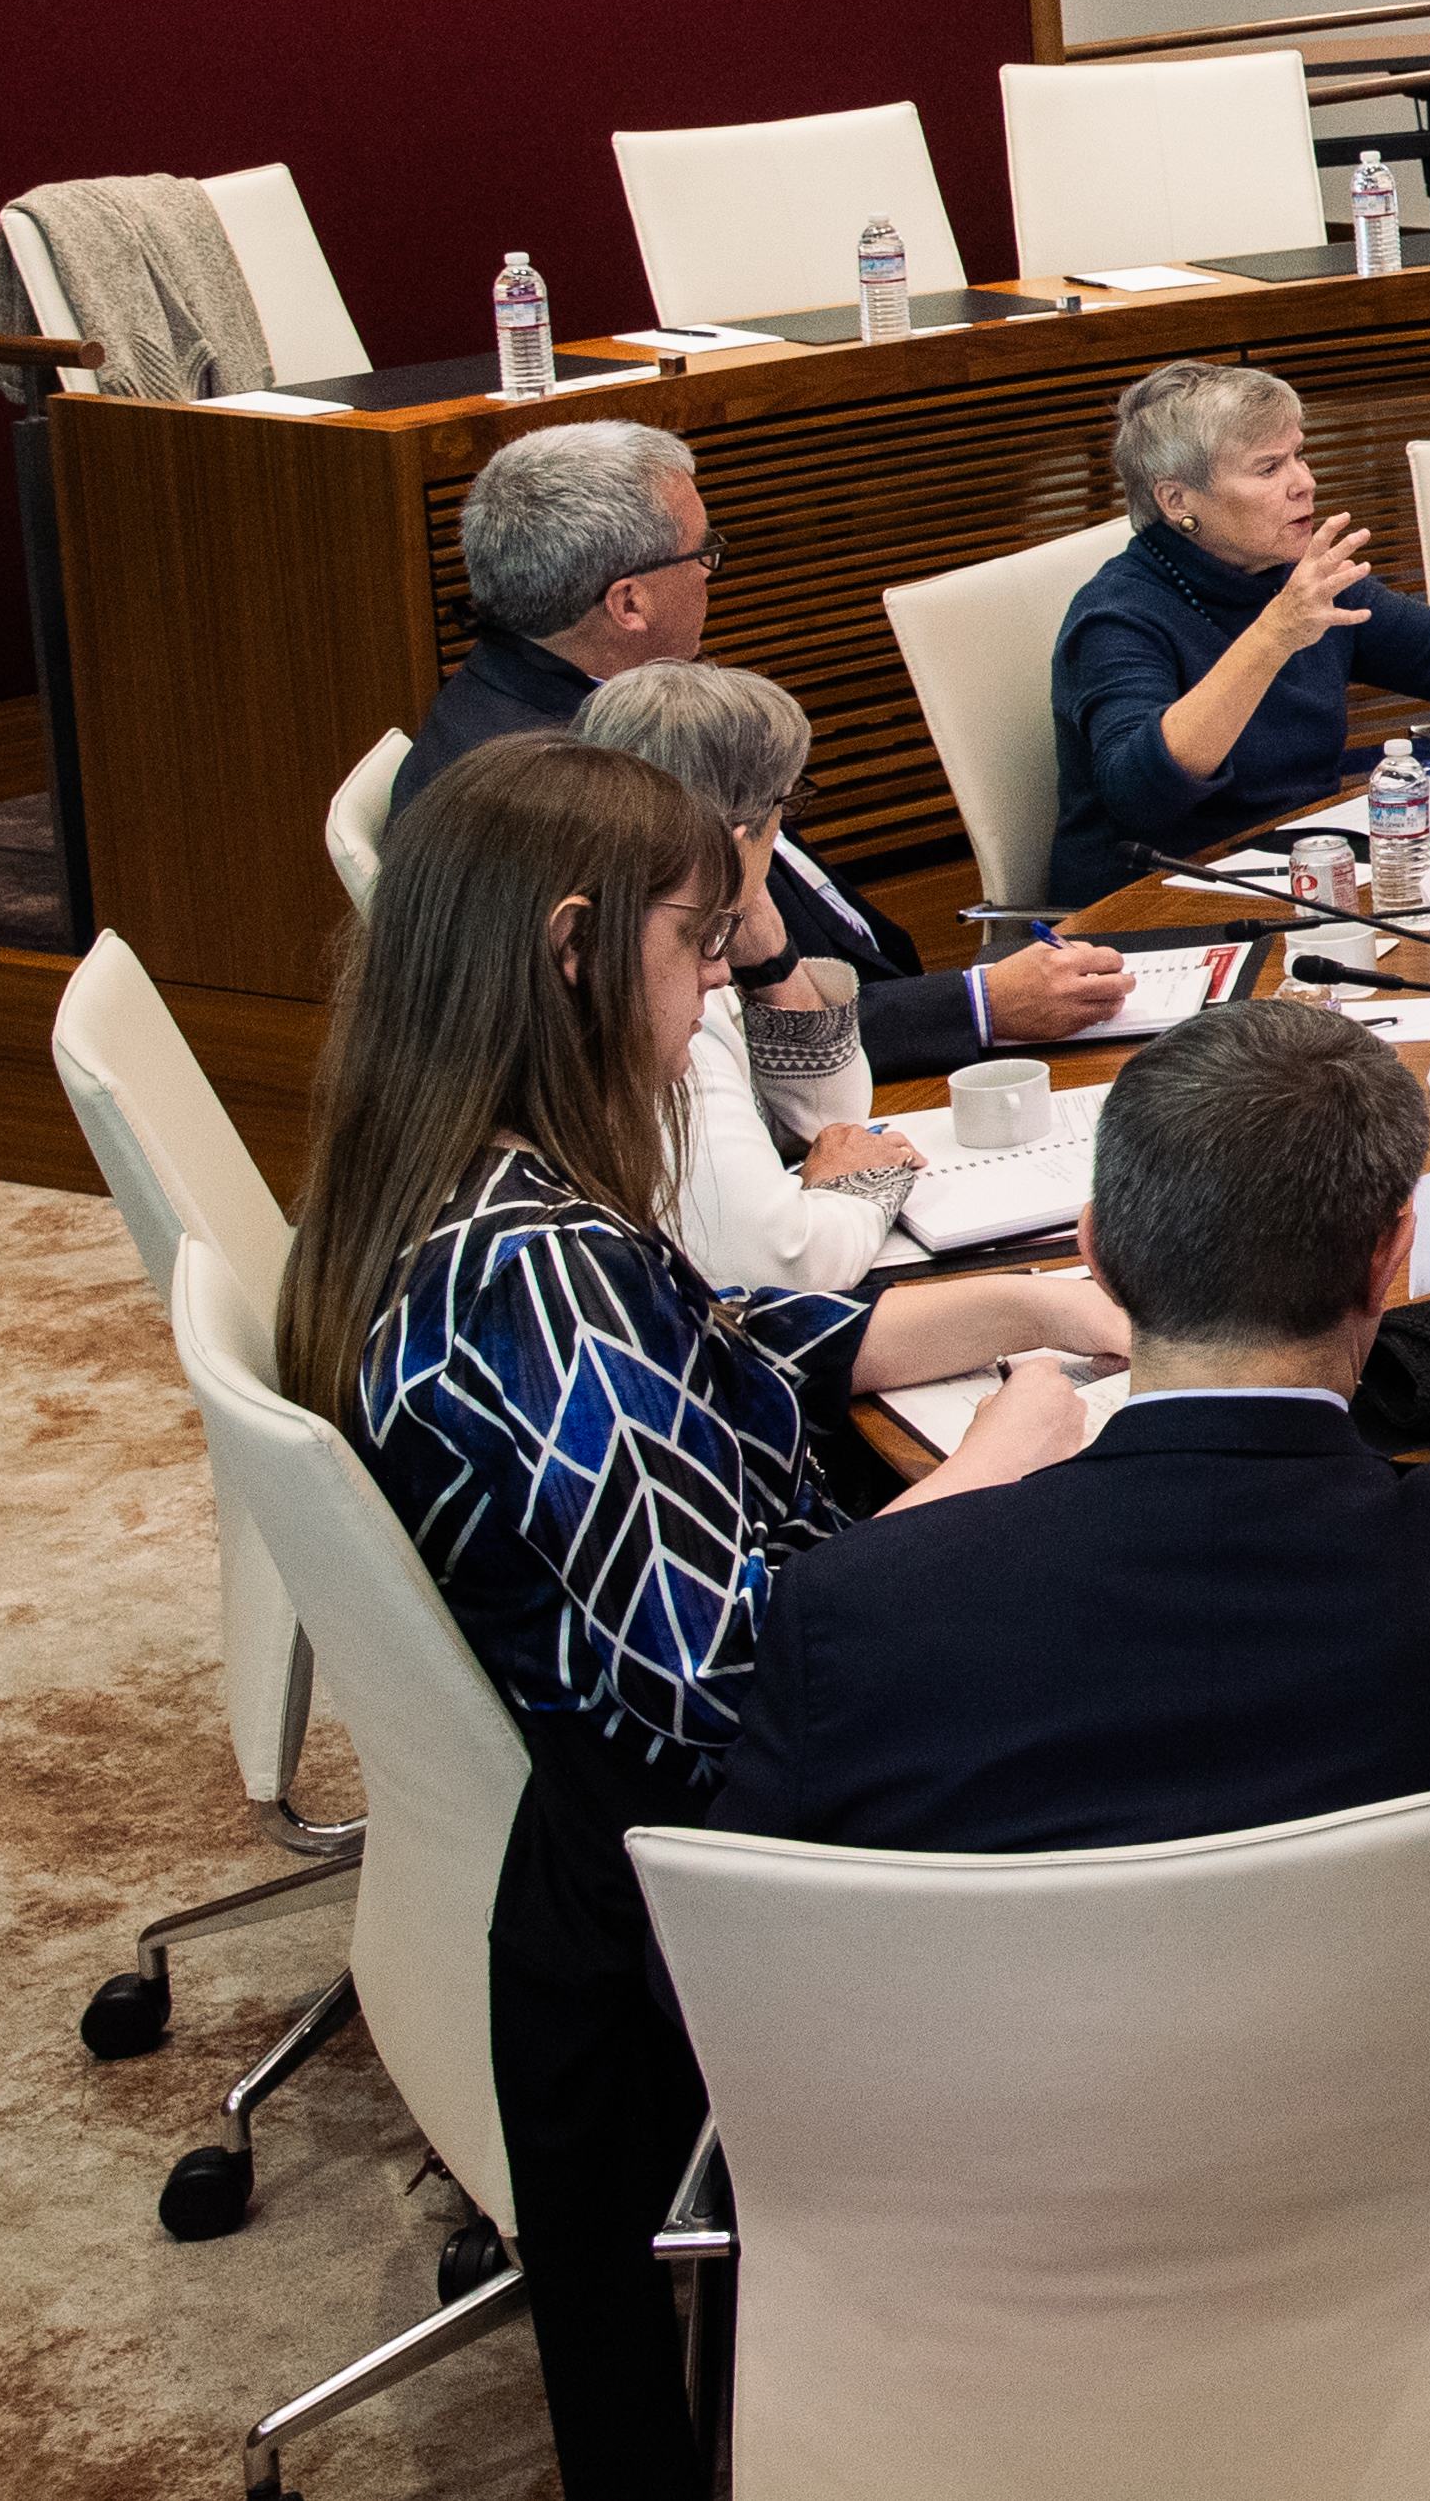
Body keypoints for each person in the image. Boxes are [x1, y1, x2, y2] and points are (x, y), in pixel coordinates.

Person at [273, 742, 1122, 2501]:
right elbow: (730, 1666)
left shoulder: (468, 1187)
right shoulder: (535, 1267)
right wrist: (1006, 1462)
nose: (732, 966)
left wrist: (1039, 1302)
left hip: (610, 1839)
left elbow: (727, 1351)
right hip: (723, 1864)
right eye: (694, 934)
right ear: (576, 946)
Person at [710, 995, 1430, 2114]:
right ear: (1389, 1262)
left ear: (1096, 1254)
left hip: (991, 2236)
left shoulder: (858, 1610)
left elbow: (729, 1986)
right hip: (1426, 2239)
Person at [396, 417, 1128, 1060]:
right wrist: (976, 1008)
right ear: (630, 602)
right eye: (700, 552)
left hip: (872, 1016)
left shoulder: (552, 692)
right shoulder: (573, 782)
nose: (712, 572)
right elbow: (710, 1027)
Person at [1048, 359, 1430, 907]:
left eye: (1299, 455)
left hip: (1308, 876)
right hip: (1158, 907)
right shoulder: (1118, 615)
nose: (1303, 481)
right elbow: (1141, 797)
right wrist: (1273, 635)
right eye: (1268, 467)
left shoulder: (1297, 576)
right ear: (1177, 499)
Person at [576, 660, 919, 1296]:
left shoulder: (656, 929)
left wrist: (768, 952)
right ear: (740, 837)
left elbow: (826, 1114)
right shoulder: (654, 993)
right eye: (786, 803)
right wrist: (861, 1184)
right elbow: (783, 1265)